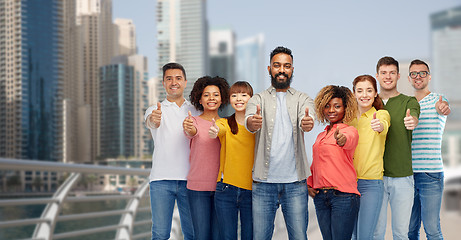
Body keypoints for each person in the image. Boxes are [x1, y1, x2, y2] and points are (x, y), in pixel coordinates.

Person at [245, 46, 315, 240]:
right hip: (263, 184)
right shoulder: (257, 99)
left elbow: (307, 118)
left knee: (299, 237)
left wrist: (306, 123)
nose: (282, 70)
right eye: (277, 65)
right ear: (269, 69)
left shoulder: (303, 98)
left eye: (287, 66)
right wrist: (252, 122)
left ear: (292, 70)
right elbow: (249, 121)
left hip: (295, 184)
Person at [144, 62, 199, 240]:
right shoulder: (154, 110)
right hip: (161, 181)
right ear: (163, 83)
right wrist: (155, 119)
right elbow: (152, 122)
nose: (173, 82)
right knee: (160, 234)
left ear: (185, 82)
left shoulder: (196, 111)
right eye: (169, 79)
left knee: (193, 234)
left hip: (190, 181)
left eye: (178, 78)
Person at [373, 56, 420, 240]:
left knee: (401, 233)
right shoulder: (369, 102)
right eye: (384, 73)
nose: (388, 76)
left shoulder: (409, 102)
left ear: (398, 76)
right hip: (375, 178)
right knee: (376, 233)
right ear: (377, 75)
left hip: (402, 177)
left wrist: (412, 121)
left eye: (392, 72)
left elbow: (414, 116)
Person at [307, 85, 360, 240]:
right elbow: (316, 164)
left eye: (337, 106)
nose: (331, 110)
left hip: (343, 197)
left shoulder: (349, 131)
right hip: (321, 197)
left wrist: (341, 139)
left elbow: (348, 141)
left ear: (345, 108)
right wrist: (309, 184)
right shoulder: (320, 136)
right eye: (328, 106)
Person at [407, 59, 450, 240]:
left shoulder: (438, 100)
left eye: (422, 73)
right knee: (410, 230)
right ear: (409, 78)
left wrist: (443, 108)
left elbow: (443, 108)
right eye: (414, 74)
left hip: (430, 173)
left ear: (429, 77)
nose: (418, 77)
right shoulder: (406, 104)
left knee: (432, 229)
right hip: (407, 175)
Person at [183, 76, 229, 240]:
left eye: (215, 94)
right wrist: (189, 128)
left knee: (219, 237)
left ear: (222, 98)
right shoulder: (192, 121)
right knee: (201, 236)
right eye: (206, 95)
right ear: (199, 99)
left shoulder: (227, 124)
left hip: (222, 189)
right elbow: (191, 131)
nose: (211, 98)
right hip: (197, 189)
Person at [208, 81, 255, 240]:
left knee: (250, 236)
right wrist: (214, 131)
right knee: (227, 237)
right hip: (226, 189)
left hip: (252, 191)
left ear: (251, 98)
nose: (239, 99)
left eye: (243, 95)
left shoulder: (256, 128)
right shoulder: (224, 123)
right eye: (234, 95)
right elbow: (218, 130)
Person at [350, 75, 390, 240]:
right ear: (354, 94)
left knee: (365, 236)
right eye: (359, 90)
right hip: (348, 184)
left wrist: (379, 126)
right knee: (352, 235)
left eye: (369, 90)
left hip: (371, 185)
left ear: (375, 94)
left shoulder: (381, 115)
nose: (364, 95)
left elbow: (383, 126)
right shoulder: (348, 119)